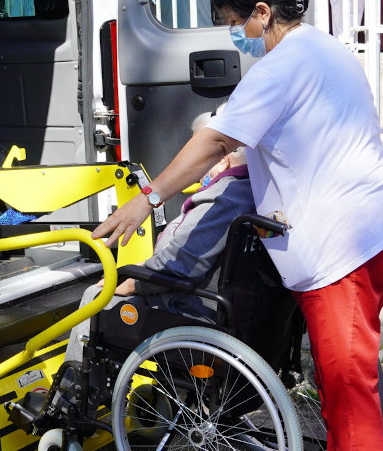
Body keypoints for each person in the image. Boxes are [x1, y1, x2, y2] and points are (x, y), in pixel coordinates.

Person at [94, 0, 383, 451]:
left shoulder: (280, 66)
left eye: (235, 21)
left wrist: (147, 198)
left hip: (340, 243)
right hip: (381, 225)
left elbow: (213, 138)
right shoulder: (326, 49)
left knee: (347, 381)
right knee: (338, 372)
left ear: (263, 14)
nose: (235, 33)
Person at [64, 142, 253, 363]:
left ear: (222, 160)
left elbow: (180, 267)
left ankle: (73, 392)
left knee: (96, 297)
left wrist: (132, 283)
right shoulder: (261, 192)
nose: (201, 175)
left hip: (192, 312)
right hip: (243, 311)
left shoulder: (225, 197)